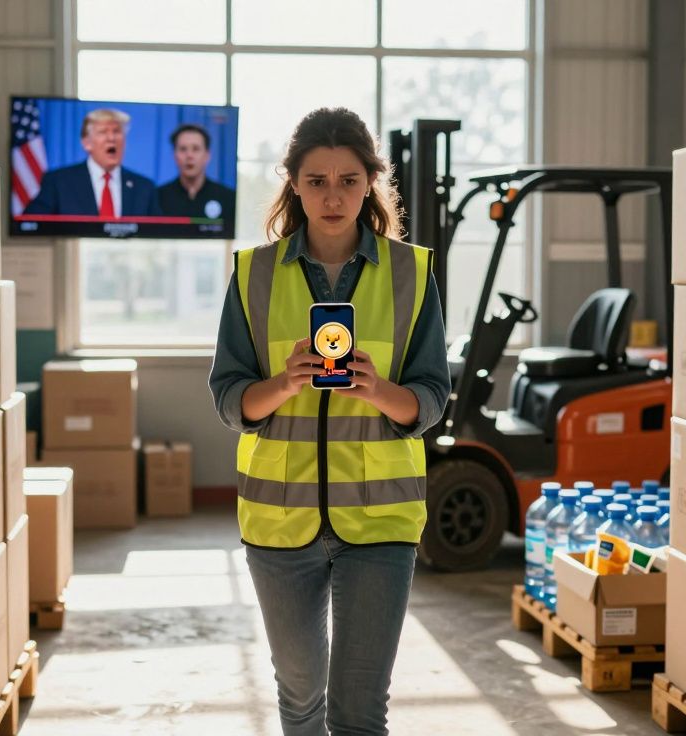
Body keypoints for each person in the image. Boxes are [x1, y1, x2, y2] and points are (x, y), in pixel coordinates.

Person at [208, 107, 450, 736]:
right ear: (293, 184)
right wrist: (283, 383)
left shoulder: (412, 274)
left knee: (360, 712)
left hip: (381, 522)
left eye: (348, 179)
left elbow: (431, 399)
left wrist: (380, 391)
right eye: (316, 181)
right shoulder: (252, 274)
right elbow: (230, 398)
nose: (333, 195)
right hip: (278, 524)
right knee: (300, 699)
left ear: (371, 181)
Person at [23, 108, 161, 217]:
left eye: (117, 131)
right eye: (103, 132)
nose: (111, 138)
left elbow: (159, 235)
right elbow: (32, 223)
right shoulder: (59, 181)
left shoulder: (144, 187)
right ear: (86, 143)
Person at [157, 123, 236, 225]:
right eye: (183, 149)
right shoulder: (158, 197)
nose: (189, 155)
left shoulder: (228, 198)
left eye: (196, 149)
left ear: (207, 155)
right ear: (174, 155)